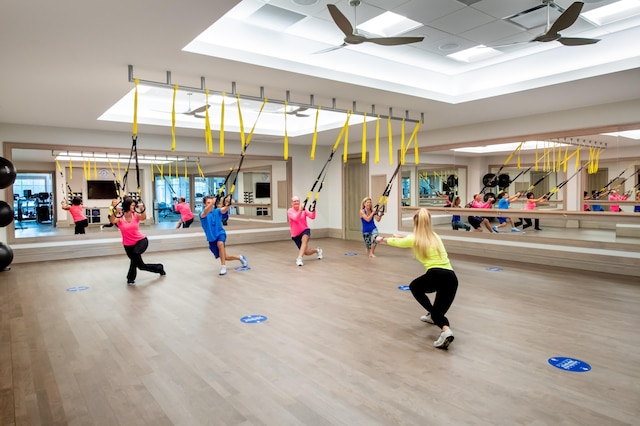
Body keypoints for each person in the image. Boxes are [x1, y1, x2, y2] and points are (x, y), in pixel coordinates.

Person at [376, 208, 458, 350]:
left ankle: (445, 329)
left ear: (415, 223)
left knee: (415, 287)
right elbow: (410, 239)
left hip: (435, 275)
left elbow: (399, 242)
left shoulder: (415, 239)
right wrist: (400, 236)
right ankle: (434, 317)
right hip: (451, 278)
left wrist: (381, 240)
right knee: (438, 312)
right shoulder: (435, 236)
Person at [110, 196, 165, 285]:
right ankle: (159, 268)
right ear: (127, 206)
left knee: (135, 255)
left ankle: (130, 278)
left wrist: (142, 208)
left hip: (141, 241)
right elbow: (112, 220)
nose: (134, 207)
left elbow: (143, 217)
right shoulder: (120, 216)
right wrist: (116, 211)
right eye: (132, 205)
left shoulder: (135, 215)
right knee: (140, 265)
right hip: (128, 245)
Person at [200, 195, 248, 275]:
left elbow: (225, 209)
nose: (210, 204)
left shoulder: (217, 211)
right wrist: (212, 203)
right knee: (224, 256)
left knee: (220, 243)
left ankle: (223, 267)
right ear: (205, 204)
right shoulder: (202, 214)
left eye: (210, 202)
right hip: (211, 238)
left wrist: (228, 203)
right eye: (208, 203)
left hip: (220, 233)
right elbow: (205, 211)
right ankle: (240, 257)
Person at [287, 196, 322, 266]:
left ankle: (299, 258)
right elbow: (296, 219)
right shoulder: (290, 211)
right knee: (306, 252)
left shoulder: (304, 209)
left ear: (299, 202)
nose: (296, 202)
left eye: (297, 201)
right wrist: (300, 211)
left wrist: (313, 209)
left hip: (305, 230)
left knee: (304, 239)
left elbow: (312, 217)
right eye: (294, 201)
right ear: (291, 203)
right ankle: (317, 250)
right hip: (295, 235)